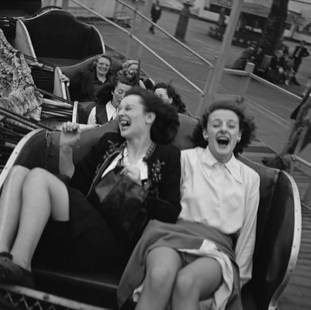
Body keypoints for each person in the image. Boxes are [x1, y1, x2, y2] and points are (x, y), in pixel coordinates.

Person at [0, 88, 181, 288]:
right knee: (18, 173)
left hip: (112, 242)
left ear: (149, 117)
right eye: (119, 109)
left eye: (129, 108)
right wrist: (66, 149)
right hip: (80, 224)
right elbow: (76, 185)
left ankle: (21, 265)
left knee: (38, 176)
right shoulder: (109, 143)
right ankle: (2, 255)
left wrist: (139, 190)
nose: (121, 113)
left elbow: (170, 213)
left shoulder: (168, 156)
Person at [117, 99, 260, 310]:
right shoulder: (184, 159)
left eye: (231, 126)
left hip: (216, 250)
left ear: (239, 135)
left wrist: (241, 278)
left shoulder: (250, 178)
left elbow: (248, 232)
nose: (223, 130)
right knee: (159, 275)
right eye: (216, 124)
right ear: (205, 133)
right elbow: (151, 178)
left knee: (186, 283)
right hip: (171, 235)